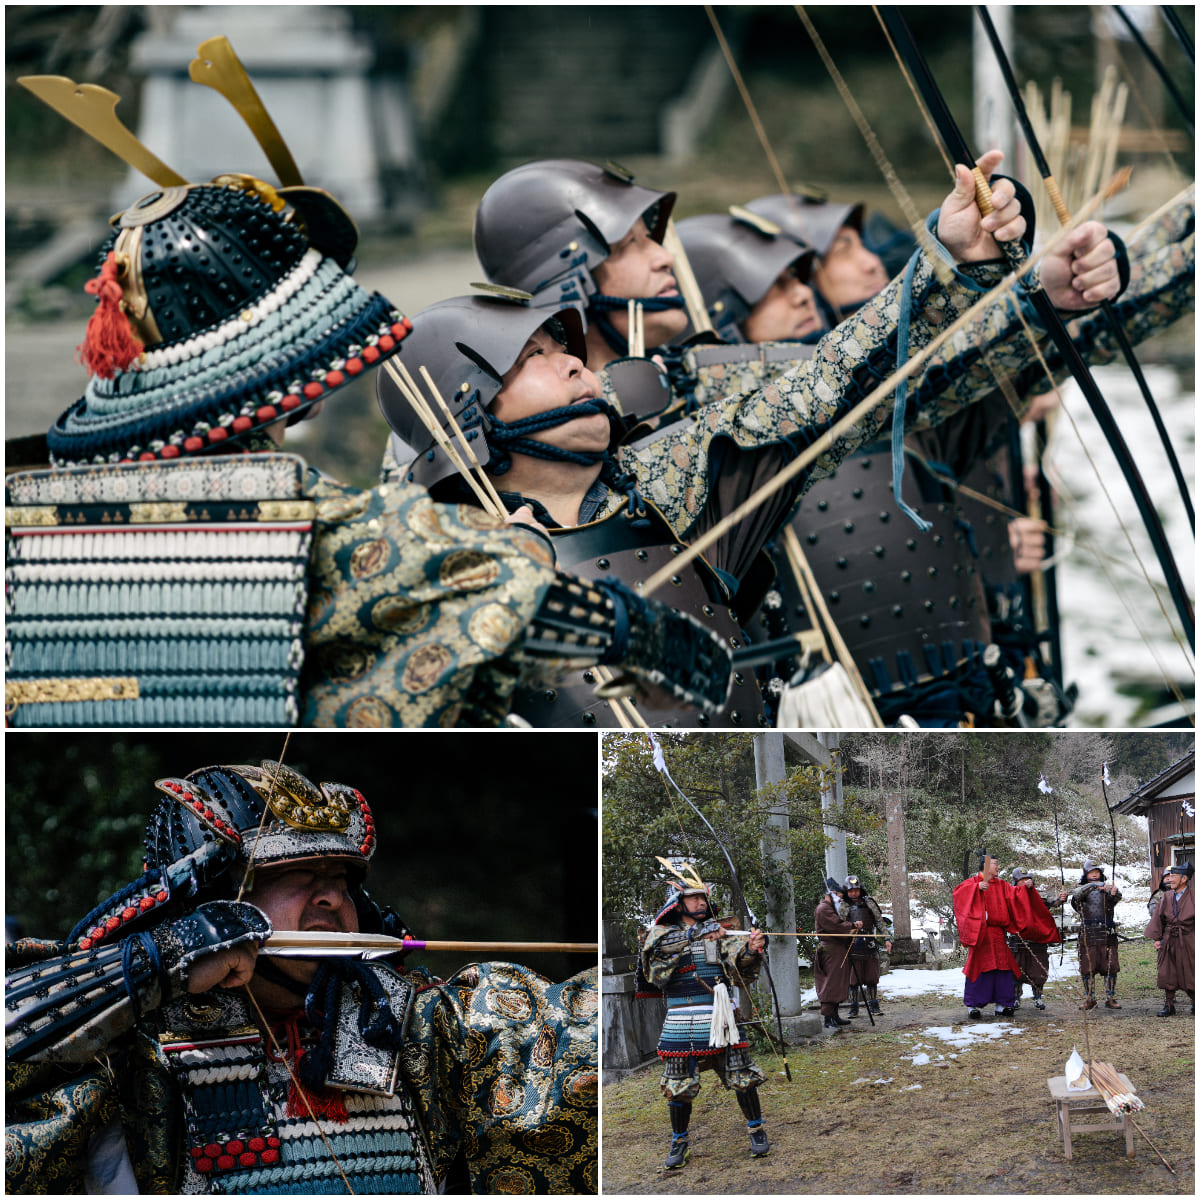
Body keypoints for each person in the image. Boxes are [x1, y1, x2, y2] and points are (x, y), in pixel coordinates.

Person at [5, 63, 732, 730]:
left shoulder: (26, 508)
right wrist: (638, 628)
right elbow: (508, 592)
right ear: (294, 387)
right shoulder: (318, 526)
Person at [384, 157, 1119, 727]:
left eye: (563, 346)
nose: (571, 359)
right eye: (535, 355)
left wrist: (982, 277)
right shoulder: (431, 553)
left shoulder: (667, 469)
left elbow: (832, 381)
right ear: (467, 414)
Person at [5, 760, 597, 1193]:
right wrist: (156, 962)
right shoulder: (130, 1043)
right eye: (299, 875)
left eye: (341, 877)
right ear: (215, 898)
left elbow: (581, 1047)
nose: (332, 899)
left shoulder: (420, 1020)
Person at [638, 872, 770, 1167]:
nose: (701, 902)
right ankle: (679, 1141)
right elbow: (656, 974)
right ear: (678, 902)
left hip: (720, 1014)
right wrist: (693, 936)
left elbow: (738, 966)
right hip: (681, 1018)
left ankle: (756, 1129)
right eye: (693, 897)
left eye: (702, 897)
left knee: (742, 1076)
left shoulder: (718, 932)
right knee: (678, 1083)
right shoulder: (659, 935)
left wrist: (751, 947)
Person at [951, 850, 1056, 1019]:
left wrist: (1025, 888)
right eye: (995, 864)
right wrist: (975, 888)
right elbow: (958, 895)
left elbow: (1015, 895)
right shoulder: (971, 883)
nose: (998, 867)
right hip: (981, 935)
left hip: (998, 935)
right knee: (979, 969)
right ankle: (973, 1006)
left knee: (1003, 970)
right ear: (986, 866)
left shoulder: (1002, 885)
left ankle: (1003, 1004)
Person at [1006, 868, 1066, 1010]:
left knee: (1039, 972)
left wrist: (1060, 900)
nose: (1025, 882)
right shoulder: (1009, 896)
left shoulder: (1037, 895)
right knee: (1016, 972)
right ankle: (1016, 998)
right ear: (1016, 882)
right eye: (1022, 880)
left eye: (1027, 879)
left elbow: (1049, 904)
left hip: (1037, 941)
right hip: (1017, 941)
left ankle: (1038, 998)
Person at [1070, 858, 1123, 1010]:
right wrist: (1094, 886)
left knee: (1110, 966)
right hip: (1088, 934)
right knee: (1087, 967)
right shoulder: (1081, 890)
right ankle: (1089, 999)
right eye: (1091, 873)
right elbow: (1076, 896)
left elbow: (1117, 897)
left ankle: (1110, 997)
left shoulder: (1107, 888)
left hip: (1107, 933)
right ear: (1086, 874)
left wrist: (1112, 891)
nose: (1094, 875)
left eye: (1097, 873)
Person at [1145, 861, 1194, 1017]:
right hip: (1169, 939)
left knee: (1191, 970)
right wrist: (1157, 938)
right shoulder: (1166, 896)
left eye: (1173, 876)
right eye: (1169, 876)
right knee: (1167, 971)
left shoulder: (1195, 896)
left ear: (1184, 879)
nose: (1169, 879)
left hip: (1189, 939)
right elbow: (1158, 918)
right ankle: (1169, 1005)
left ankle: (1195, 1002)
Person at [842, 875, 892, 1017]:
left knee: (871, 977)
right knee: (853, 979)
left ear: (860, 889)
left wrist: (887, 938)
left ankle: (874, 1005)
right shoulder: (844, 905)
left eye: (856, 890)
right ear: (846, 891)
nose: (853, 893)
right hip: (852, 945)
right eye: (850, 890)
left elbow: (879, 921)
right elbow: (839, 924)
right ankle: (853, 1007)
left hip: (869, 944)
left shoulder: (869, 902)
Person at [812, 878, 859, 1029]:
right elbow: (836, 926)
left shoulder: (831, 908)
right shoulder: (823, 909)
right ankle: (828, 1017)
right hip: (830, 951)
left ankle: (835, 1015)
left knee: (838, 983)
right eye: (838, 894)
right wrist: (852, 925)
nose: (840, 897)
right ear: (830, 893)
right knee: (830, 983)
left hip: (837, 949)